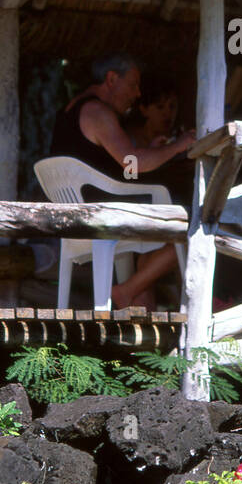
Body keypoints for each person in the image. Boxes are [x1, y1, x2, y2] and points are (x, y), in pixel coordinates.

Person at [50, 53, 195, 310]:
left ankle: (135, 308)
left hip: (75, 217)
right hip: (100, 217)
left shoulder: (71, 109)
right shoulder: (97, 112)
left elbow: (112, 164)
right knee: (192, 228)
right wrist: (177, 146)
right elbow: (134, 164)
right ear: (111, 79)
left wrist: (151, 150)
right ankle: (126, 292)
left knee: (153, 237)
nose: (137, 93)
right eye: (132, 84)